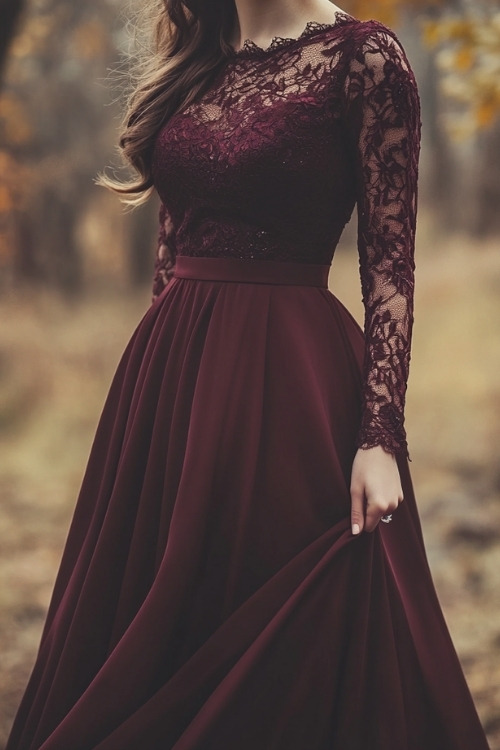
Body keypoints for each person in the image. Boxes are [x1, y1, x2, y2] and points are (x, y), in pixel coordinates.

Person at [6, 1, 491, 748]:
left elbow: (389, 266)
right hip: (173, 376)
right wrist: (162, 400)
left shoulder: (364, 60)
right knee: (162, 619)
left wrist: (380, 434)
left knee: (284, 619)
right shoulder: (200, 52)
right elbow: (175, 241)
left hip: (290, 380)